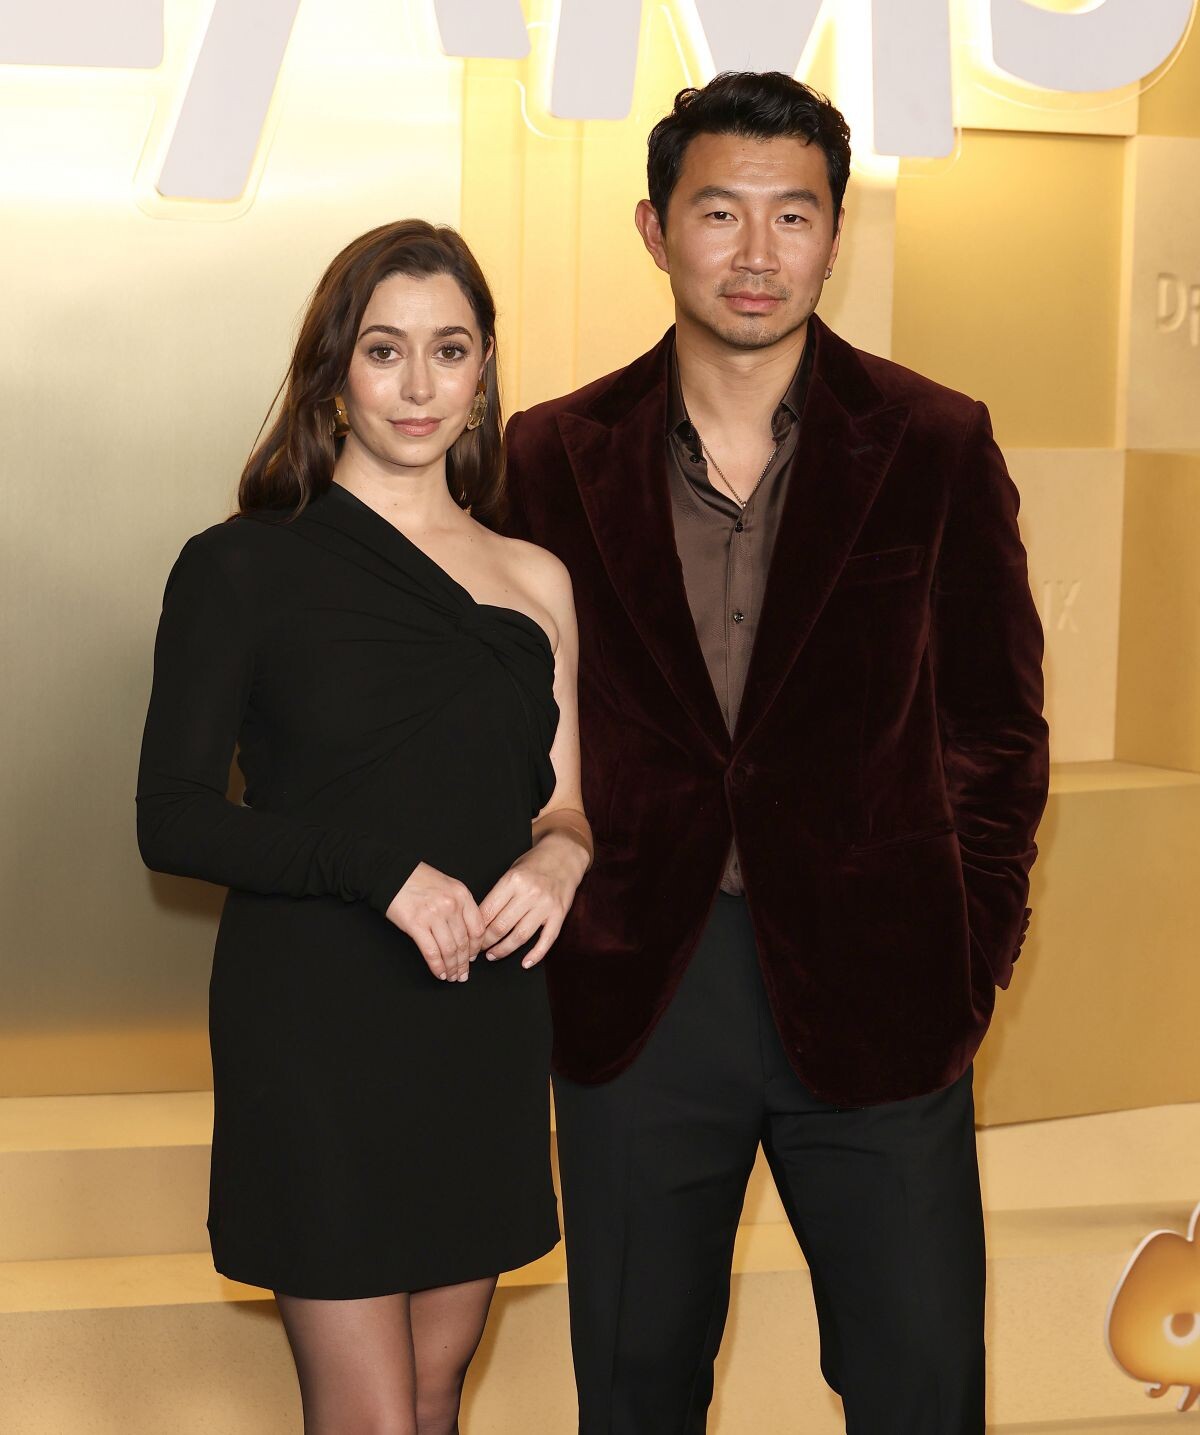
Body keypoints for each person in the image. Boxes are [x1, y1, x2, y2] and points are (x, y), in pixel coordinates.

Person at [502, 73, 1050, 1434]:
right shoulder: (552, 455)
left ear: (835, 234)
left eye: (794, 215)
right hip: (640, 990)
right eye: (721, 212)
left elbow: (996, 727)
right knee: (636, 1391)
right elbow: (503, 720)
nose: (758, 252)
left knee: (921, 1387)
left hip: (886, 992)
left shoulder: (936, 441)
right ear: (654, 228)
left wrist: (968, 952)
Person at [136, 219, 591, 1435]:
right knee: (376, 1418)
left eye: (450, 349)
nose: (419, 384)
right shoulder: (240, 566)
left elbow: (562, 800)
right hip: (315, 1022)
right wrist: (378, 868)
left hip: (480, 1017)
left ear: (484, 368)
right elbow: (170, 818)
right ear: (335, 370)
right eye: (385, 350)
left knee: (435, 1397)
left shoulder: (537, 579)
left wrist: (562, 854)